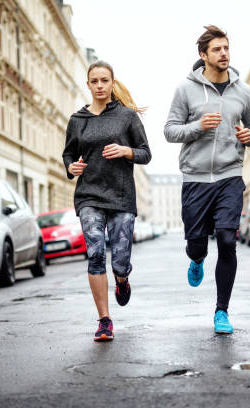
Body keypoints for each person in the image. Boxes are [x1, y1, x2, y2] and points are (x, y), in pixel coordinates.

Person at [164, 25, 250, 334]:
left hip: (229, 175)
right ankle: (197, 259)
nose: (224, 53)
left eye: (226, 48)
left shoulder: (243, 91)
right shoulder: (186, 89)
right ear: (203, 55)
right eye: (217, 49)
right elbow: (170, 130)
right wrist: (197, 127)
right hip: (195, 178)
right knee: (197, 245)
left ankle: (222, 311)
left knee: (227, 240)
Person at [63, 61, 151, 342]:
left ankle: (122, 280)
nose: (99, 85)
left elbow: (145, 153)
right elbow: (68, 155)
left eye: (104, 80)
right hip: (89, 195)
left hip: (121, 195)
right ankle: (104, 320)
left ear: (112, 84)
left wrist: (126, 150)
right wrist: (71, 168)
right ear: (88, 85)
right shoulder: (78, 119)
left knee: (120, 259)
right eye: (94, 81)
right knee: (96, 253)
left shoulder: (126, 117)